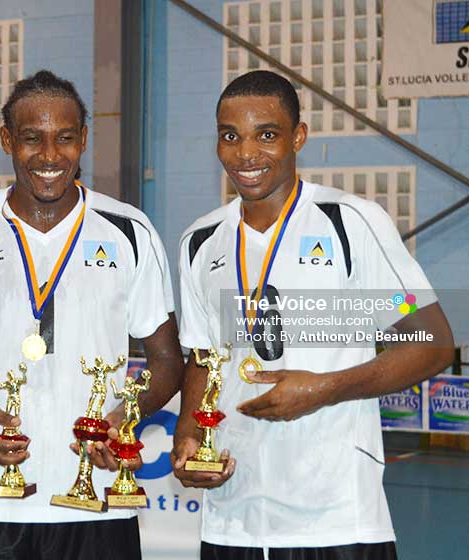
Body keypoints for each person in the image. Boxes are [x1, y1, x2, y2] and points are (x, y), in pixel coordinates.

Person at [0, 70, 185, 559]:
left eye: (65, 139)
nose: (50, 156)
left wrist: (120, 419)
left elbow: (167, 360)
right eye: (32, 138)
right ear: (8, 139)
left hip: (98, 506)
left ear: (84, 141)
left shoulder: (129, 231)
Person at [172, 70, 454, 560]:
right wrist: (189, 438)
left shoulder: (350, 223)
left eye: (266, 134)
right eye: (230, 136)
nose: (246, 154)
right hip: (233, 519)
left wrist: (324, 388)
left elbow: (431, 342)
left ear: (298, 137)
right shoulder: (201, 242)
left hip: (335, 517)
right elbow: (204, 355)